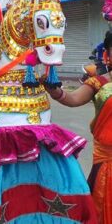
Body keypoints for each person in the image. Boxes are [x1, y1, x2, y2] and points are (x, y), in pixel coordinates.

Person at [45, 31, 112, 223]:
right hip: (107, 167)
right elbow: (72, 99)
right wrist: (56, 92)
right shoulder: (100, 83)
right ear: (107, 54)